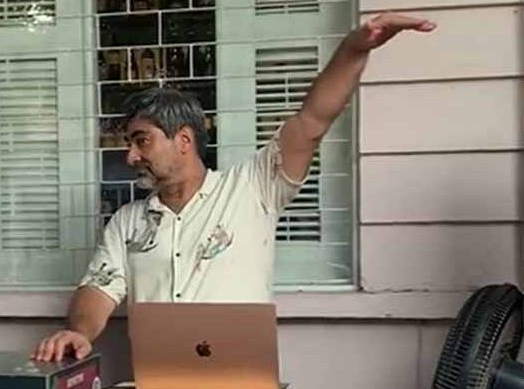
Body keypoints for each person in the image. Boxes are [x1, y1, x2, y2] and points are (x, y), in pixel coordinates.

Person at [32, 13, 437, 362]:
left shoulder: (252, 188)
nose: (131, 156)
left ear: (184, 140)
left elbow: (312, 121)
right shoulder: (128, 222)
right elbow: (99, 289)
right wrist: (79, 332)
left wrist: (353, 49)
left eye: (142, 141)